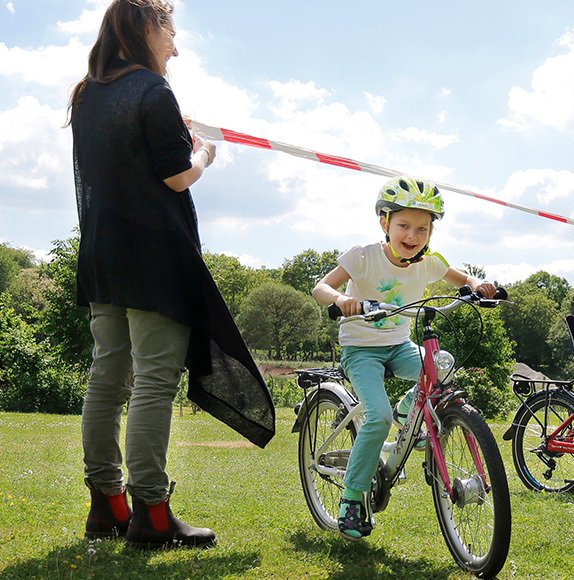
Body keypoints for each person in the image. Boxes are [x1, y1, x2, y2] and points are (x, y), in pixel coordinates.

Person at [68, 0, 275, 549]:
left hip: (102, 255)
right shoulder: (153, 92)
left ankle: (107, 505)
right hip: (153, 258)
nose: (176, 48)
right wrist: (204, 151)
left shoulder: (88, 94)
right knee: (154, 382)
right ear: (145, 28)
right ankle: (152, 515)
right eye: (172, 33)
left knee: (107, 379)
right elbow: (177, 177)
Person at [312, 175, 496, 540]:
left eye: (422, 229)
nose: (412, 236)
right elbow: (321, 286)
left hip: (398, 345)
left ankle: (406, 410)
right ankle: (351, 498)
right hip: (361, 348)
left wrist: (478, 286)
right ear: (385, 223)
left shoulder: (428, 263)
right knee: (377, 418)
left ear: (430, 233)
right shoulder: (362, 256)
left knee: (443, 371)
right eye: (404, 226)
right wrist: (341, 300)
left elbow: (463, 279)